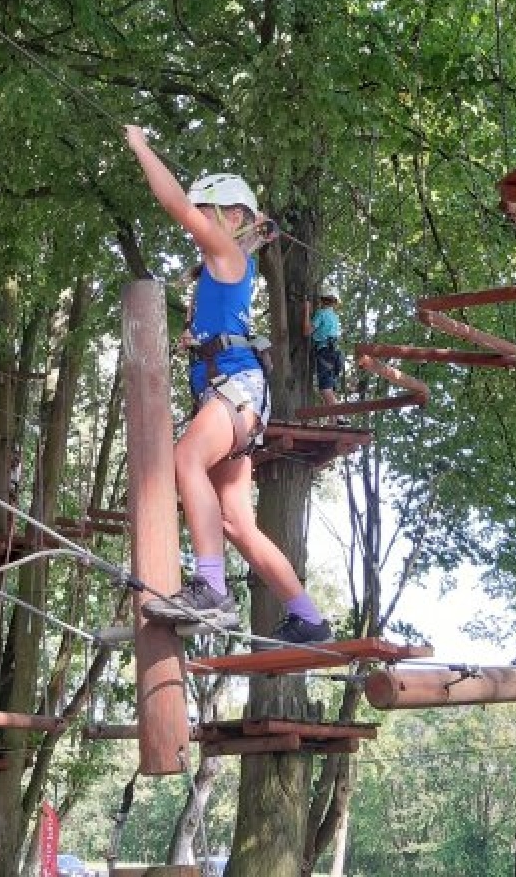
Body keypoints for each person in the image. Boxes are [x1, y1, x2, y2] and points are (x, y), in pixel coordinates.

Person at [124, 126, 333, 645]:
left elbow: (171, 201)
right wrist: (197, 344)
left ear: (232, 216)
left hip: (235, 387)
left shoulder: (227, 254)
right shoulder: (225, 264)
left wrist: (142, 147)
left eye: (209, 212)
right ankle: (308, 617)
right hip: (231, 386)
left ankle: (212, 589)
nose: (200, 223)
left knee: (186, 459)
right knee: (239, 523)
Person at [303, 285, 344, 410]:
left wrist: (306, 311)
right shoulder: (335, 317)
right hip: (336, 355)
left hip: (326, 352)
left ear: (322, 300)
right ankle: (334, 421)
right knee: (330, 388)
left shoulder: (321, 313)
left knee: (325, 388)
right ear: (335, 302)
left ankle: (339, 417)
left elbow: (306, 331)